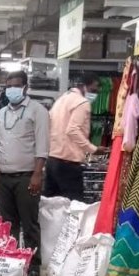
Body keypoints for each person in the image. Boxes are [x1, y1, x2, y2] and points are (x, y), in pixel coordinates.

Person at [0, 71, 50, 276]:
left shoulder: (37, 111)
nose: (11, 90)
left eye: (16, 85)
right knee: (7, 222)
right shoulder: (2, 112)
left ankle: (33, 264)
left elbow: (42, 146)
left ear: (25, 87)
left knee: (29, 222)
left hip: (26, 177)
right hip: (4, 176)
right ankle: (12, 260)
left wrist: (37, 175)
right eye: (8, 86)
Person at [46, 71, 107, 201]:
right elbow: (72, 130)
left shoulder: (62, 99)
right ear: (83, 86)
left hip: (52, 160)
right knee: (73, 207)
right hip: (68, 164)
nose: (94, 94)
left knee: (50, 206)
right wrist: (93, 149)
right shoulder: (82, 103)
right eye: (93, 90)